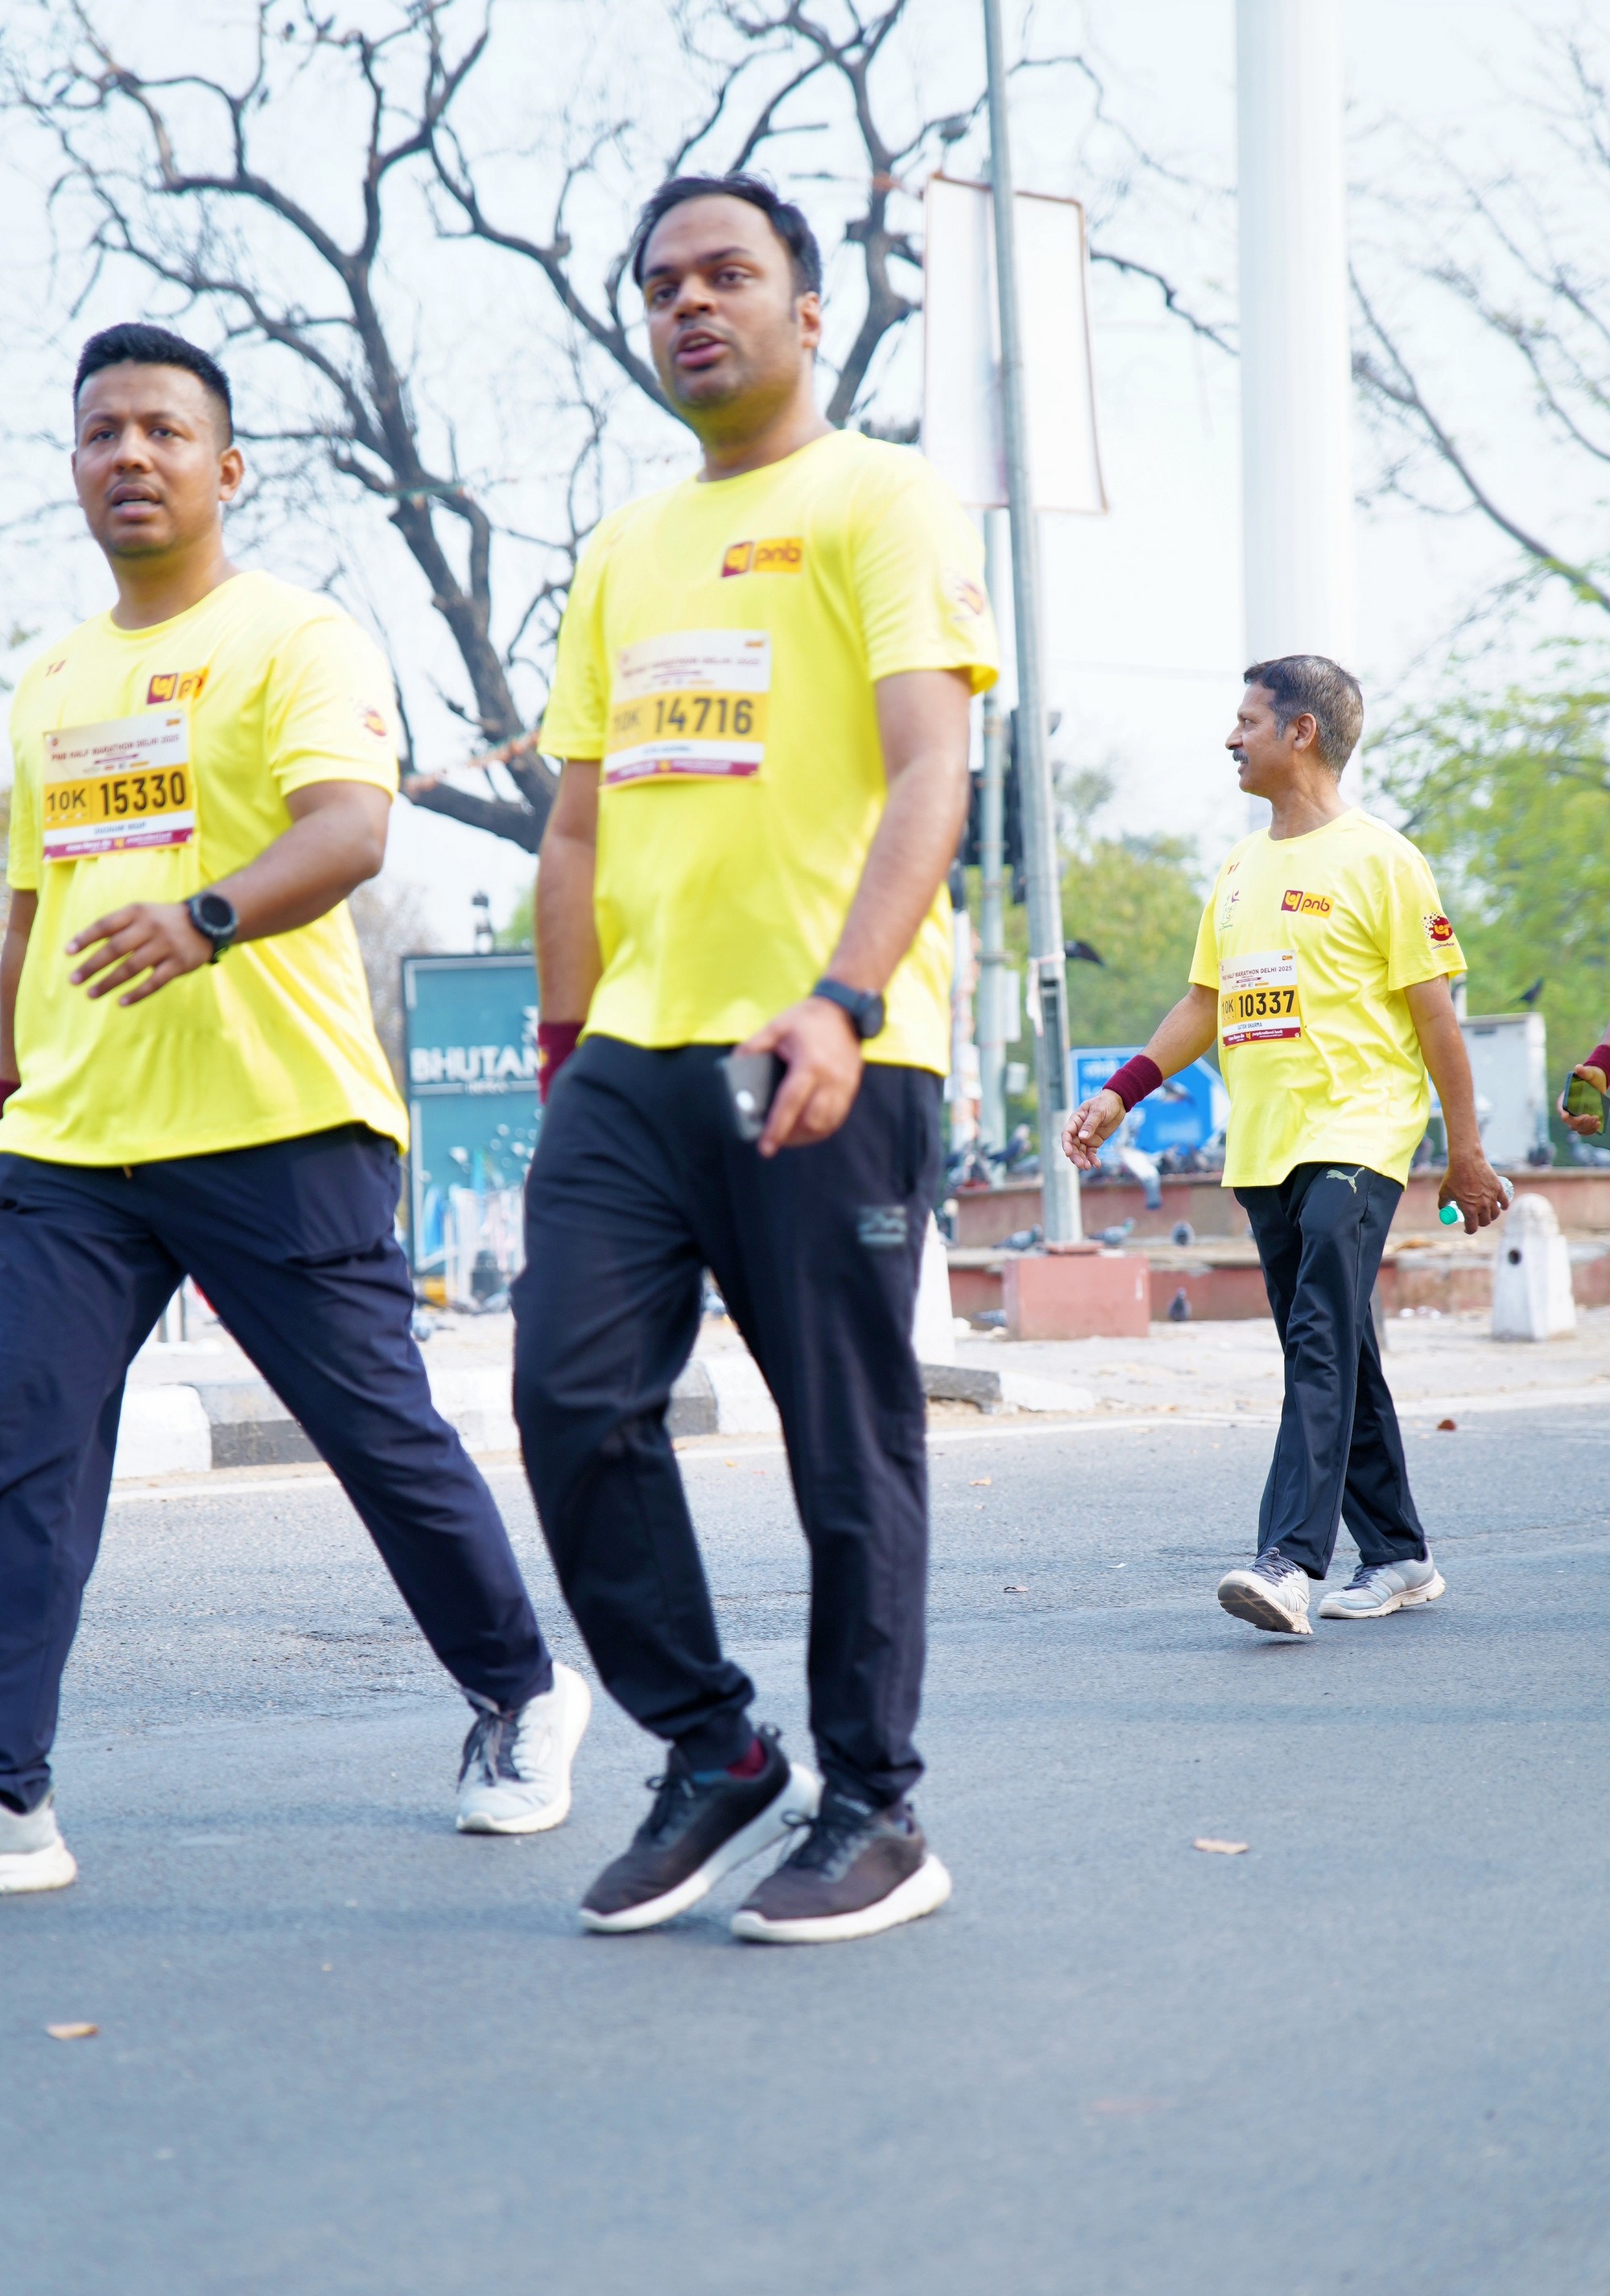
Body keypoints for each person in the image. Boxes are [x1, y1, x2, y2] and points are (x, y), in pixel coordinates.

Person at [0, 324, 589, 1897]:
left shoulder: (295, 638)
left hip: (279, 1123)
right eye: (102, 433)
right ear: (74, 466)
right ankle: (9, 1792)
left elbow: (349, 830)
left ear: (228, 467)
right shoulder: (46, 680)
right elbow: (23, 909)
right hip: (72, 1144)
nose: (130, 455)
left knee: (376, 1437)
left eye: (162, 430)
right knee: (23, 1443)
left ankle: (521, 1693)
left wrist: (202, 917)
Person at [514, 172, 997, 1943]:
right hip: (636, 1058)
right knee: (568, 1400)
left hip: (828, 1044)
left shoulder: (880, 496)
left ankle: (876, 1806)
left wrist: (846, 999)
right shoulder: (621, 549)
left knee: (843, 1442)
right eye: (661, 287)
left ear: (807, 308)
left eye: (728, 274)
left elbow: (931, 768)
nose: (689, 305)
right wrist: (566, 1038)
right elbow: (579, 826)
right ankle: (714, 1750)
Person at [1064, 655, 1507, 1638]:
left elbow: (1435, 1019)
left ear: (1299, 731)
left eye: (1247, 721)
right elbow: (1204, 1003)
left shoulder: (1383, 860)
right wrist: (1119, 1094)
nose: (1229, 738)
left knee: (1316, 1337)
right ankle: (1398, 1554)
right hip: (1263, 1149)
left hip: (1357, 1133)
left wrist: (1464, 1151)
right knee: (1332, 1342)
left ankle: (1288, 1562)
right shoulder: (1236, 870)